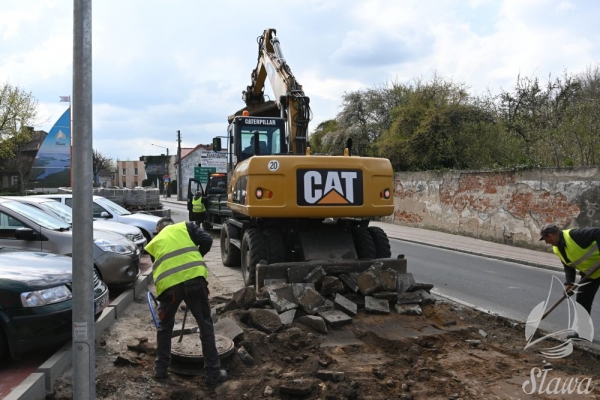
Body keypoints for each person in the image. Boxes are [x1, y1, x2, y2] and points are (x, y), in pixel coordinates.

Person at [145, 217, 227, 385]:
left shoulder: (155, 241)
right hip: (194, 282)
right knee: (205, 326)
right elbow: (207, 240)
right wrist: (196, 256)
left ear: (159, 229)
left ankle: (160, 370)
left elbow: (159, 266)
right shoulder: (186, 227)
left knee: (164, 328)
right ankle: (213, 373)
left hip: (169, 288)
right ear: (172, 224)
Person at [539, 223, 600, 316]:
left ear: (550, 236)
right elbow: (568, 266)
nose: (546, 242)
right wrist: (569, 284)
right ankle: (582, 330)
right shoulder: (557, 249)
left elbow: (597, 232)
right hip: (592, 274)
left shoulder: (574, 235)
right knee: (582, 303)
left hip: (595, 269)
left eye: (545, 239)